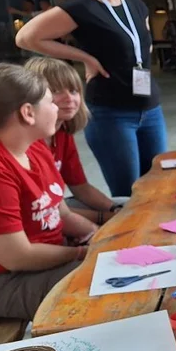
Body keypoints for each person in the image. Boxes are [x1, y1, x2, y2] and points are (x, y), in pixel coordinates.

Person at [15, 0, 167, 198]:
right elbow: (26, 37)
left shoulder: (137, 6)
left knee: (160, 187)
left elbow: (143, 45)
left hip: (150, 109)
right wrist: (85, 58)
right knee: (128, 196)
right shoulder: (81, 7)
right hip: (113, 113)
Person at [0, 63, 99, 320]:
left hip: (47, 258)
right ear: (28, 113)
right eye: (50, 101)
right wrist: (83, 253)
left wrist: (102, 237)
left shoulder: (34, 147)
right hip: (3, 279)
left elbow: (63, 214)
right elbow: (17, 256)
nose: (56, 108)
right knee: (104, 281)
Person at [23, 57, 121, 226]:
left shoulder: (62, 133)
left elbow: (80, 187)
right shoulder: (27, 142)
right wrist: (106, 219)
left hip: (58, 211)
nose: (69, 98)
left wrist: (116, 209)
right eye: (56, 91)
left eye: (74, 90)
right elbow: (45, 210)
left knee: (125, 203)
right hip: (39, 222)